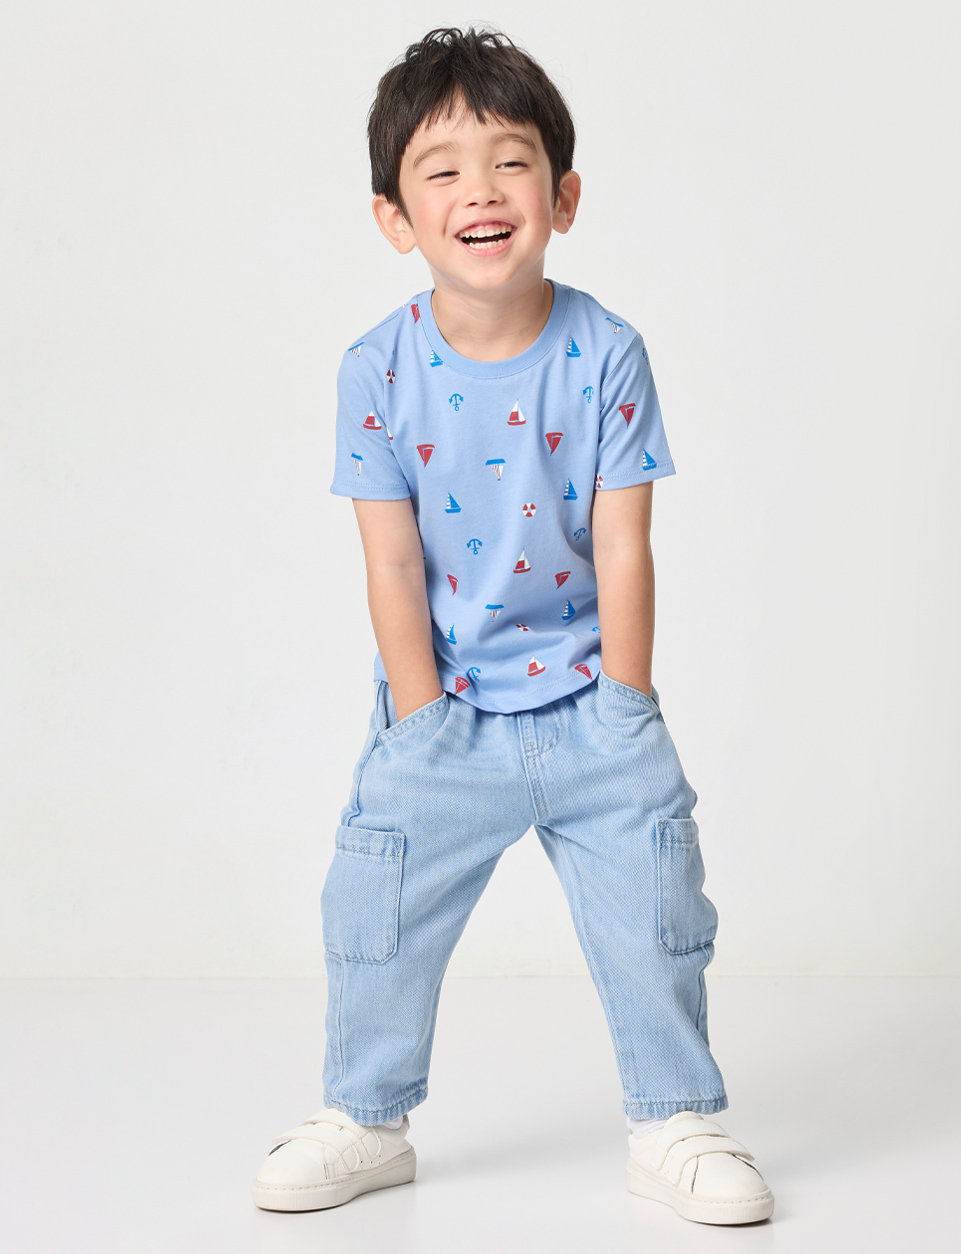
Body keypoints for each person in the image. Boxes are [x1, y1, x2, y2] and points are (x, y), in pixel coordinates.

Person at [251, 26, 773, 1227]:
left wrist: (626, 705)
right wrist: (418, 716)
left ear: (562, 198)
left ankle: (675, 1118)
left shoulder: (606, 354)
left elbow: (624, 544)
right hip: (446, 710)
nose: (479, 191)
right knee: (374, 911)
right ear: (395, 219)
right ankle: (365, 1115)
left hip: (594, 703)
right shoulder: (376, 370)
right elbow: (390, 557)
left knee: (655, 911)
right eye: (441, 171)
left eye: (510, 162)